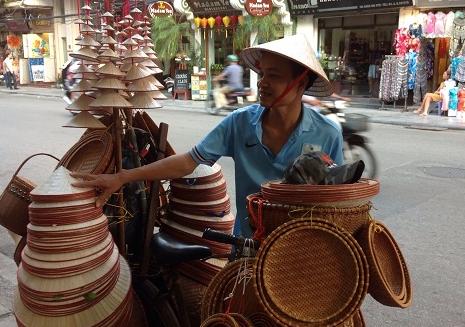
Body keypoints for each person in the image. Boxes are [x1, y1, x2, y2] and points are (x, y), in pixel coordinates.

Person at [71, 34, 344, 239]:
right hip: (247, 244)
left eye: (273, 76)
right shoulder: (240, 123)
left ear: (301, 84)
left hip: (301, 250)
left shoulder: (327, 133)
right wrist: (121, 177)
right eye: (261, 74)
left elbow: (339, 201)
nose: (262, 82)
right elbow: (187, 162)